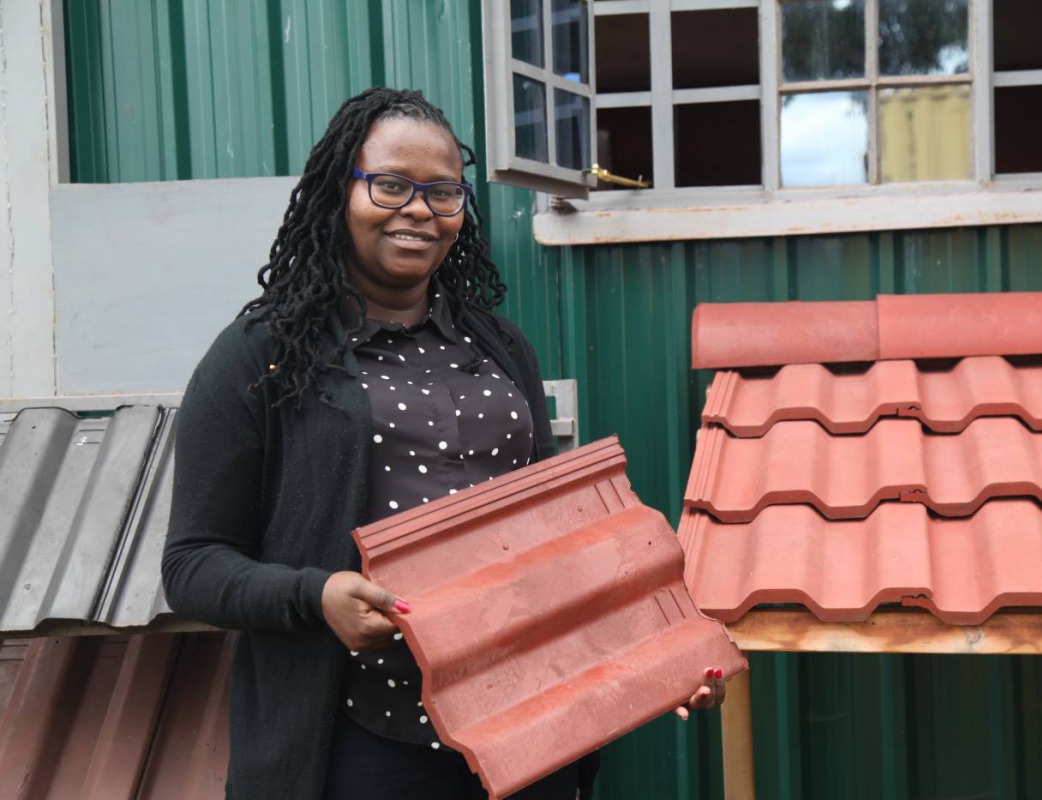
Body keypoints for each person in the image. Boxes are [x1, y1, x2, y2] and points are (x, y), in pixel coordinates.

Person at [162, 87, 724, 800]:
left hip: (532, 724)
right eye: (390, 185)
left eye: (443, 192)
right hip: (363, 736)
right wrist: (316, 596)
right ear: (340, 192)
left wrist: (653, 657)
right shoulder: (263, 356)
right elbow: (192, 564)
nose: (419, 210)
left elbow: (559, 541)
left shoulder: (497, 344)